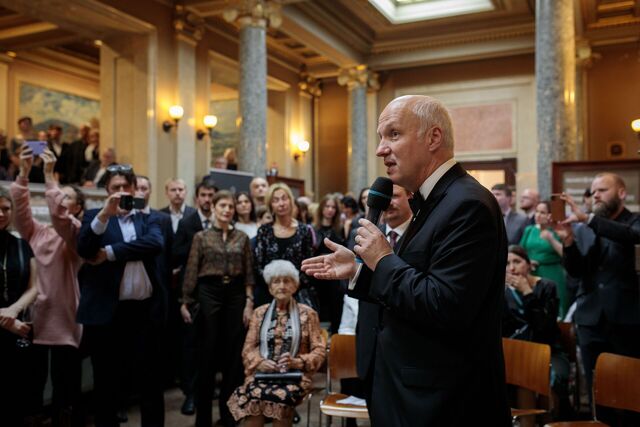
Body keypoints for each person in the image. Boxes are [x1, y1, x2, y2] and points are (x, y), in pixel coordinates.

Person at [302, 95, 510, 426]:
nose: (380, 149)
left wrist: (382, 259)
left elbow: (444, 304)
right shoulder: (434, 201)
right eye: (381, 137)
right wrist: (360, 272)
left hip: (444, 402)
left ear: (434, 138)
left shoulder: (466, 204)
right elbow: (417, 284)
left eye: (393, 134)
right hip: (414, 392)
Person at [76, 164, 166, 427]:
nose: (121, 192)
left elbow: (154, 244)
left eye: (126, 187)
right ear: (107, 190)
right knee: (107, 383)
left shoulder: (148, 218)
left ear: (134, 189)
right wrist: (105, 214)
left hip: (145, 313)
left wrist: (111, 253)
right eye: (115, 188)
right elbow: (85, 248)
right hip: (108, 315)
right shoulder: (94, 217)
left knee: (150, 383)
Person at [10, 145, 85, 427]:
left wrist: (51, 177)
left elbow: (60, 217)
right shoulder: (38, 232)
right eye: (59, 196)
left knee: (65, 390)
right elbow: (21, 211)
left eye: (67, 198)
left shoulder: (76, 231)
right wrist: (25, 173)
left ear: (76, 207)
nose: (60, 201)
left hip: (65, 318)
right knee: (33, 385)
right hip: (37, 317)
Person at [559, 173, 640, 425]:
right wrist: (569, 241)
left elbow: (629, 236)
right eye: (593, 192)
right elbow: (577, 271)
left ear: (621, 193)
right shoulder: (589, 227)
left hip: (627, 319)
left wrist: (590, 220)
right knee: (598, 389)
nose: (596, 195)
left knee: (630, 388)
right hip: (591, 320)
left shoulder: (634, 221)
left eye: (602, 190)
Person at [180, 190, 255, 427]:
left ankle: (229, 416)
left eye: (230, 207)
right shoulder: (201, 237)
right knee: (207, 355)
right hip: (208, 292)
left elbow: (248, 272)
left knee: (233, 358)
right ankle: (202, 419)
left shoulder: (241, 237)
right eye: (222, 205)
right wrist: (185, 301)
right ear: (213, 207)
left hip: (235, 294)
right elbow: (192, 269)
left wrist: (249, 301)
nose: (227, 210)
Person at [227, 260, 326, 427]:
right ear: (269, 287)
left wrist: (297, 362)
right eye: (276, 281)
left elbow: (319, 350)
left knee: (282, 404)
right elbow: (248, 349)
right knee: (253, 402)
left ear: (295, 286)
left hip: (294, 376)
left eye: (287, 281)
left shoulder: (308, 314)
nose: (282, 286)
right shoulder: (259, 313)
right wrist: (260, 362)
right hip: (261, 375)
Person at [502, 245, 571, 419]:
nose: (512, 268)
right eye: (507, 263)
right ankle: (526, 421)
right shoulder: (502, 292)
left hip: (548, 349)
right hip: (517, 353)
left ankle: (552, 419)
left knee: (549, 378)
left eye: (517, 262)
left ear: (528, 264)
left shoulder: (547, 287)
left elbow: (544, 328)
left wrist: (527, 293)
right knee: (518, 376)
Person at [172, 179, 217, 415]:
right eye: (204, 195)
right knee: (189, 344)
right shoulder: (187, 223)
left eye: (211, 195)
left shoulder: (222, 222)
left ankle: (208, 389)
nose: (207, 199)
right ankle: (190, 394)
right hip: (193, 290)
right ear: (197, 198)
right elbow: (176, 255)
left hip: (217, 292)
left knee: (211, 344)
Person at [0, 185, 38, 426]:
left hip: (16, 330)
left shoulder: (21, 244)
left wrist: (13, 311)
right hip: (9, 325)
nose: (1, 214)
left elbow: (35, 286)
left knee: (15, 400)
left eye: (6, 209)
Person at [254, 183, 314, 309]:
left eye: (284, 198)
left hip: (298, 293)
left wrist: (290, 287)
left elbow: (308, 264)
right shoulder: (264, 231)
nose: (281, 203)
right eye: (275, 200)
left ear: (290, 201)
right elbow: (259, 265)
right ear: (270, 205)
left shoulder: (304, 230)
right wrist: (276, 287)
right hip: (268, 293)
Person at [519, 201, 568, 318]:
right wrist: (528, 262)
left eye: (543, 212)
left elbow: (566, 255)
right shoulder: (529, 230)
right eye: (537, 211)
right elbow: (519, 252)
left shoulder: (558, 231)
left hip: (552, 272)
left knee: (553, 308)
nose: (538, 215)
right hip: (531, 273)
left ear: (550, 215)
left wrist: (551, 239)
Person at [312, 194, 344, 333]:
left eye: (333, 207)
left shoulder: (340, 228)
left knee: (335, 304)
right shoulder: (313, 229)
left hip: (334, 273)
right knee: (318, 304)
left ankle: (334, 333)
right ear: (321, 208)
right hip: (317, 272)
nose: (330, 210)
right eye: (327, 206)